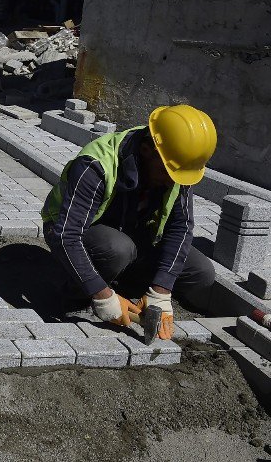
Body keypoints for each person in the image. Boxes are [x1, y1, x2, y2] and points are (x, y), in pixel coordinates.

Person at [42, 104, 218, 340]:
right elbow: (66, 234)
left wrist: (161, 291)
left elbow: (181, 228)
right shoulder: (96, 164)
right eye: (168, 173)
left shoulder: (174, 164)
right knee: (118, 249)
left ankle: (123, 285)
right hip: (76, 233)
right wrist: (101, 294)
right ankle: (75, 291)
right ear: (146, 150)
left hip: (134, 234)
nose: (172, 182)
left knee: (201, 272)